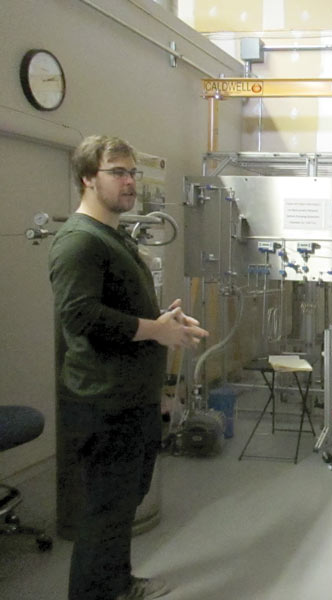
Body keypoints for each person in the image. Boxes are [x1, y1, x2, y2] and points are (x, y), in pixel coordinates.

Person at [49, 135, 209, 600]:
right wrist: (155, 331)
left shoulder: (111, 234)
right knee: (104, 512)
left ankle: (117, 584)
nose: (129, 182)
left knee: (123, 504)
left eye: (132, 172)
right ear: (86, 178)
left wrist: (166, 322)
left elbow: (119, 306)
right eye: (117, 172)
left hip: (131, 397)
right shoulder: (79, 241)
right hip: (103, 400)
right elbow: (80, 317)